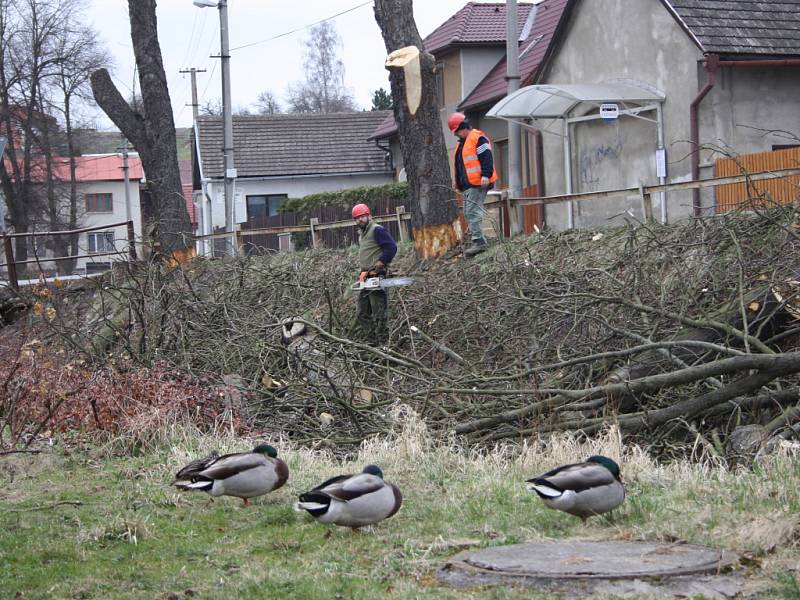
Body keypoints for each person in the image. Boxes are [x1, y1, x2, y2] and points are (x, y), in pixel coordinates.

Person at [448, 112, 498, 257]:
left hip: (478, 183)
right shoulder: (462, 144)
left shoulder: (478, 139)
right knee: (469, 212)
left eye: (457, 131)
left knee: (472, 212)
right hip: (469, 185)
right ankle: (477, 240)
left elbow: (487, 158)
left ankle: (479, 242)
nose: (457, 134)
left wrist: (485, 175)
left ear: (463, 127)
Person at [352, 203, 397, 345]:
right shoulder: (362, 234)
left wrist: (380, 263)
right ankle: (372, 342)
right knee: (362, 313)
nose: (361, 220)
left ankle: (384, 343)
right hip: (366, 276)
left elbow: (391, 247)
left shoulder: (377, 230)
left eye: (363, 217)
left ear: (369, 216)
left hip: (377, 275)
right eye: (358, 218)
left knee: (379, 313)